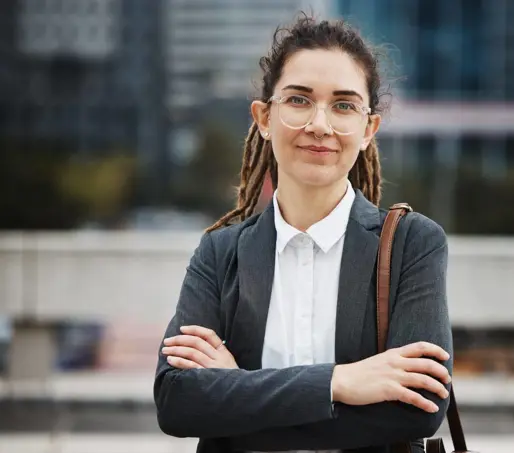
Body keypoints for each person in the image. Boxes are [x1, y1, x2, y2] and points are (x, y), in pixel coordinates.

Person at [154, 14, 453, 453]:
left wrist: (238, 391)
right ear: (263, 117)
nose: (320, 124)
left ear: (369, 129)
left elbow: (418, 407)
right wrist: (340, 381)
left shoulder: (413, 243)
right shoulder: (221, 252)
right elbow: (177, 402)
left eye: (344, 105)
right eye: (299, 100)